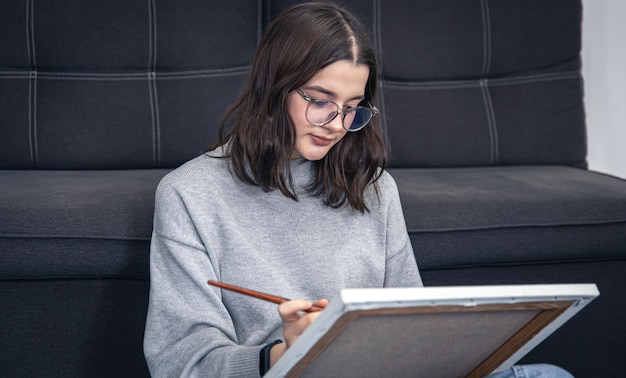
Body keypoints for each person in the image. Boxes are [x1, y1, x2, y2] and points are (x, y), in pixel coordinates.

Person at [143, 2, 574, 377]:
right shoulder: (190, 194)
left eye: (352, 108)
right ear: (273, 89)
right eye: (319, 100)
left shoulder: (375, 189)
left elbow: (417, 330)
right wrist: (283, 355)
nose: (336, 125)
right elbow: (181, 363)